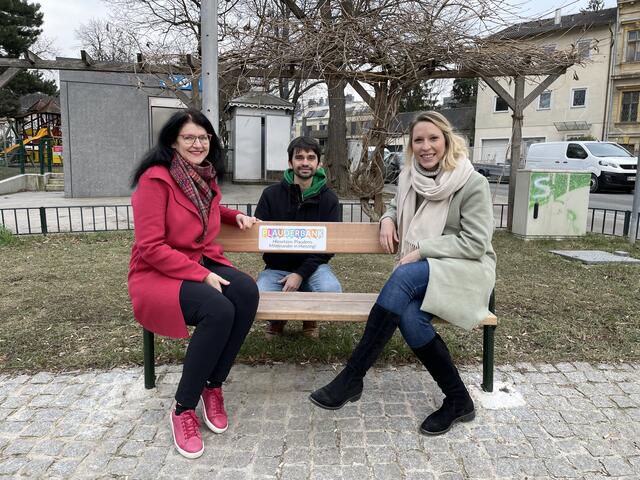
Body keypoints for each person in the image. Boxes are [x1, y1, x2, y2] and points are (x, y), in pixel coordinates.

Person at [309, 111, 496, 436]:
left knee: (405, 276)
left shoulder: (472, 183)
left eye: (433, 138)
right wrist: (387, 219)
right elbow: (397, 206)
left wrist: (423, 249)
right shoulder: (411, 177)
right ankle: (459, 400)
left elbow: (476, 242)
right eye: (418, 140)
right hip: (428, 271)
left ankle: (352, 376)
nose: (426, 146)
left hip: (465, 271)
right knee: (410, 317)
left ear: (447, 140)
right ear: (411, 146)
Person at [128, 109, 259, 459]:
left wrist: (235, 215)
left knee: (245, 292)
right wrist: (201, 274)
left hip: (199, 261)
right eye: (189, 137)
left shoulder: (204, 177)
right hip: (157, 273)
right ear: (173, 140)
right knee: (217, 308)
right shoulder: (155, 180)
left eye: (203, 137)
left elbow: (206, 208)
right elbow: (151, 247)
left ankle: (212, 386)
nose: (198, 144)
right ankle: (183, 408)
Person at [254, 136, 342, 339]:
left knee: (331, 291)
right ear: (290, 162)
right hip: (276, 268)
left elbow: (329, 246)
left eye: (311, 158)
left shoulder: (329, 199)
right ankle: (277, 320)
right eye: (299, 157)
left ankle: (310, 319)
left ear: (318, 163)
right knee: (259, 296)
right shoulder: (270, 194)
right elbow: (260, 235)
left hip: (314, 268)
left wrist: (300, 274)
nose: (305, 162)